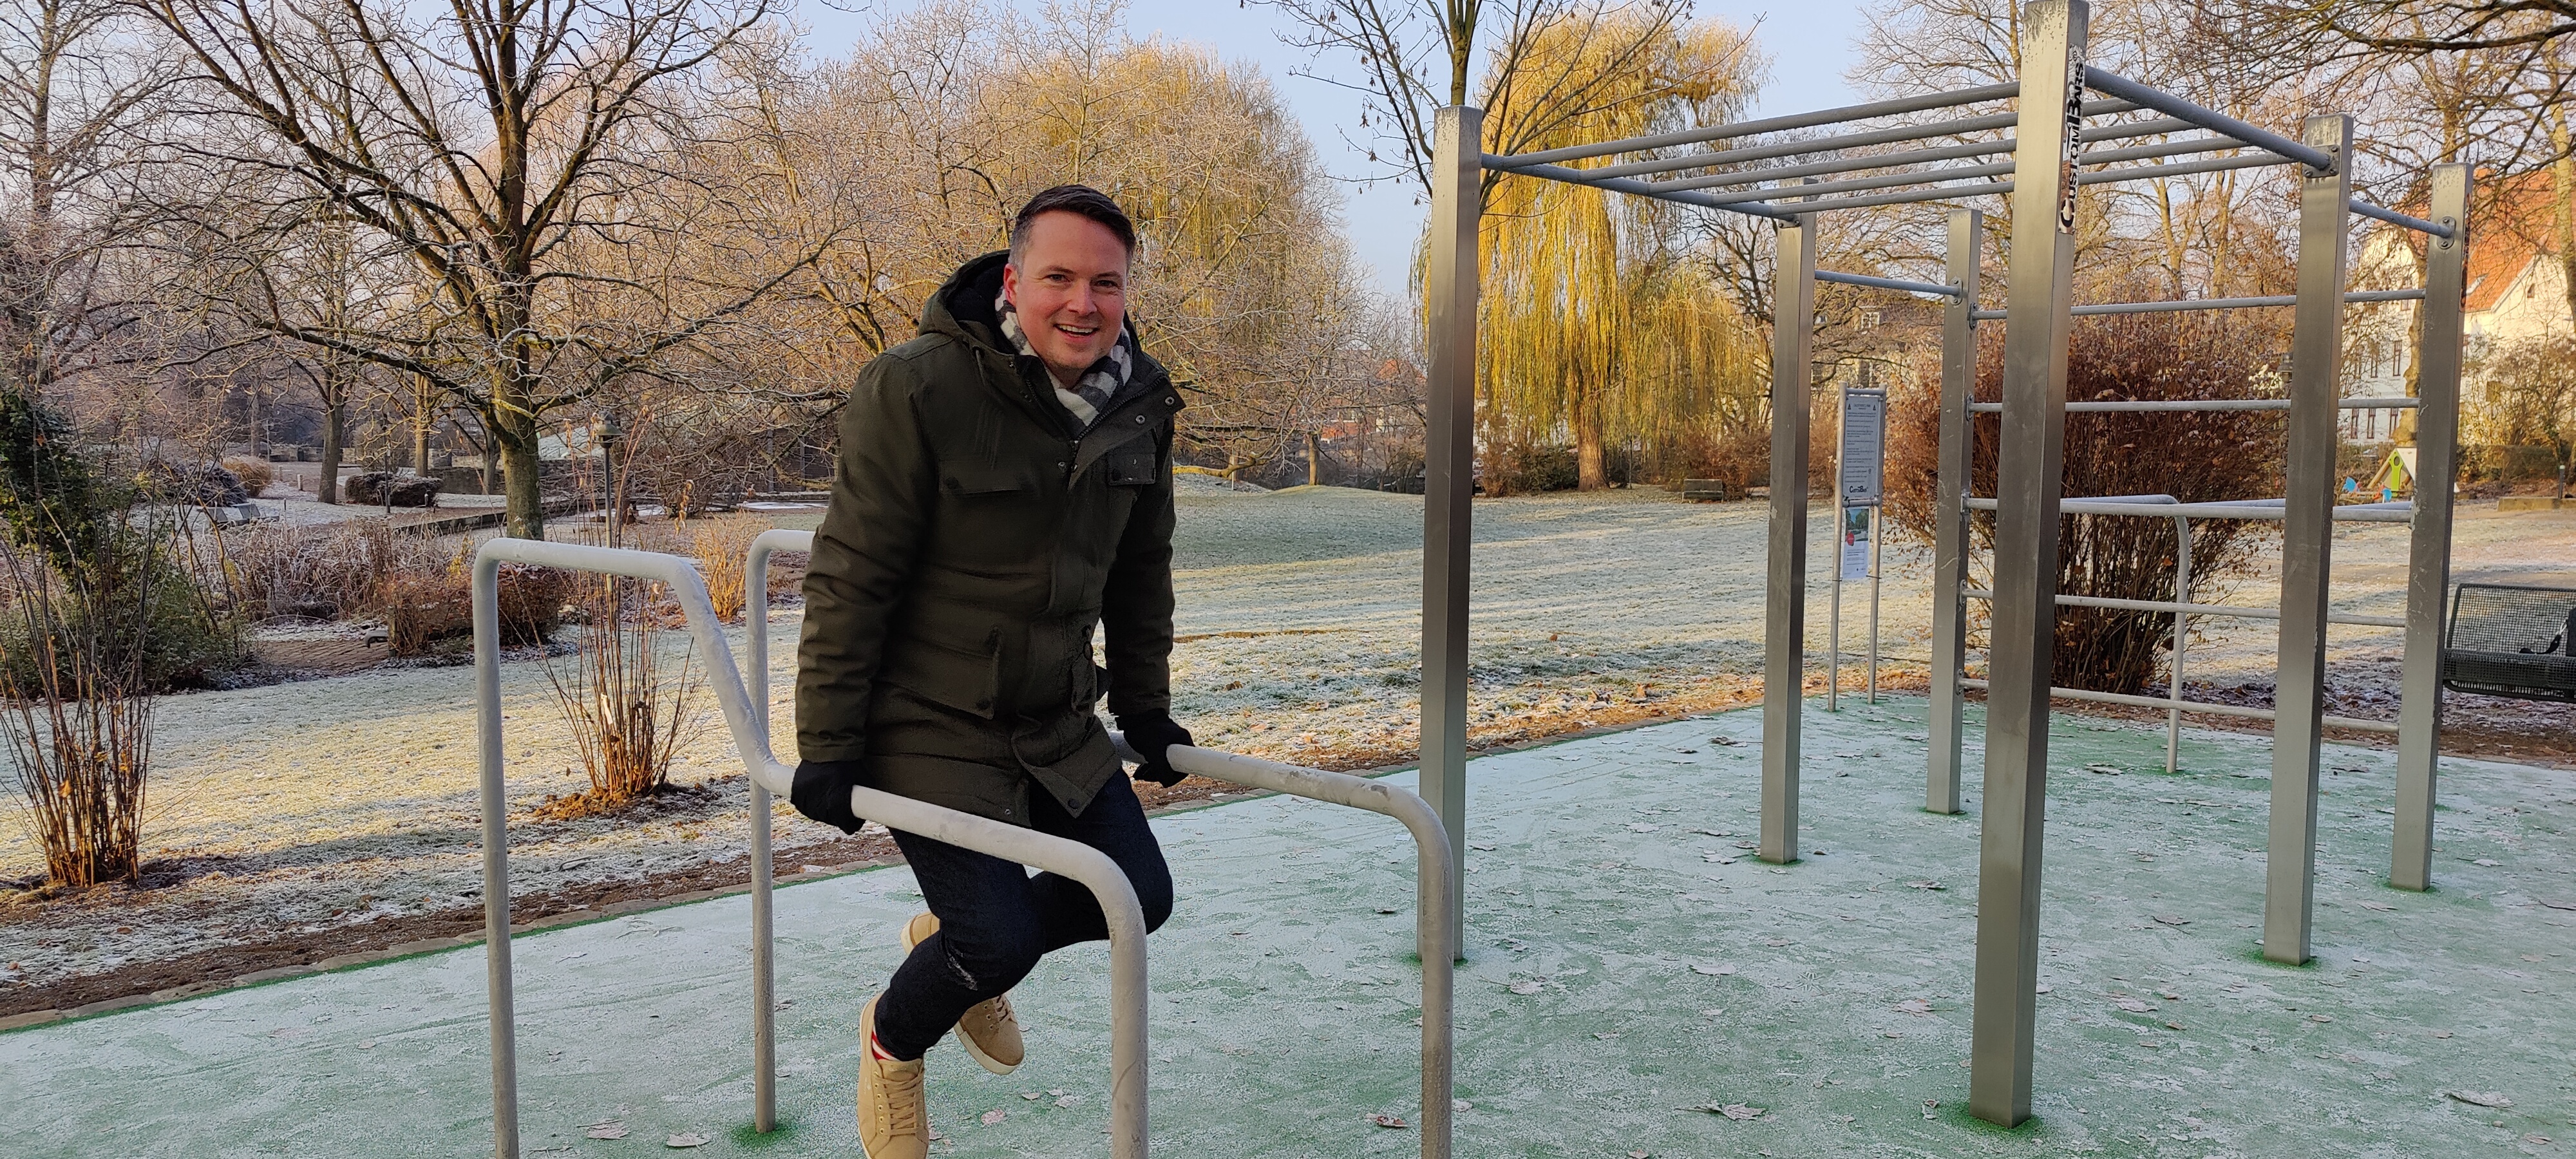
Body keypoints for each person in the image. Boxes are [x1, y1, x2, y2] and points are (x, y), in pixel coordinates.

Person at [788, 184, 1197, 1159]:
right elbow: (854, 572)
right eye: (1057, 277)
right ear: (1014, 282)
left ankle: (952, 951)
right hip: (925, 719)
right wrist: (829, 745)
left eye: (1105, 282)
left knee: (1139, 898)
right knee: (999, 943)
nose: (1082, 303)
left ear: (1126, 291)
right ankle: (896, 1038)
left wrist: (1145, 707)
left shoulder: (1141, 405)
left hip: (1054, 718)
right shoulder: (919, 386)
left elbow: (1142, 571)